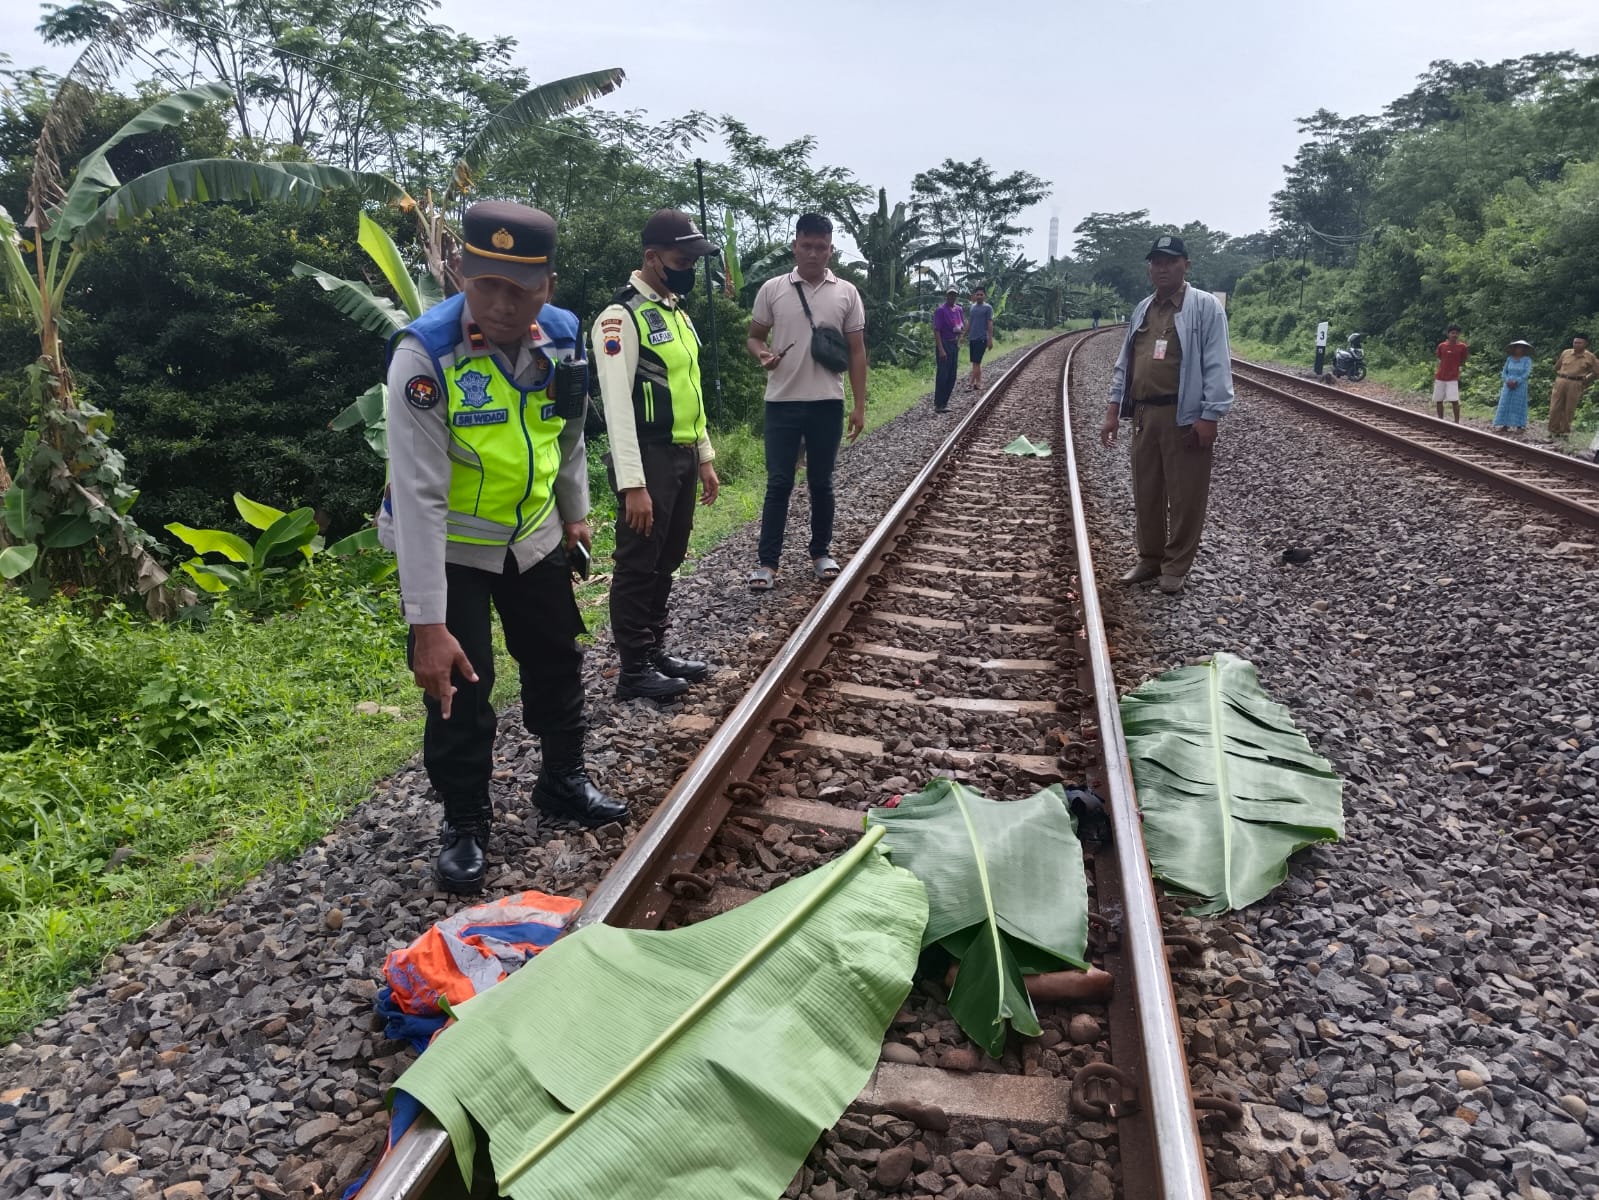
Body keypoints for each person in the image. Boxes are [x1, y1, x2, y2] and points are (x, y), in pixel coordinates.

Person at [380, 200, 625, 894]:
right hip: (450, 543)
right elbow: (421, 495)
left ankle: (562, 781)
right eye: (485, 283)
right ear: (460, 271)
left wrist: (574, 516)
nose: (501, 303)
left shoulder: (564, 336)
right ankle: (465, 822)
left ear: (546, 284)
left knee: (555, 656)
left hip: (533, 533)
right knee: (460, 684)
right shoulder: (424, 357)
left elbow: (568, 433)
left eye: (520, 288)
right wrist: (427, 622)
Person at [591, 210, 720, 703]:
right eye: (681, 259)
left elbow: (692, 389)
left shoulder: (676, 312)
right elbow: (616, 407)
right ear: (651, 257)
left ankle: (655, 651)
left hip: (684, 455)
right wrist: (632, 483)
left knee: (667, 559)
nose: (688, 268)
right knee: (637, 563)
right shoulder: (619, 318)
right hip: (647, 457)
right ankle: (633, 670)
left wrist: (705, 456)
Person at [1099, 234, 1235, 596]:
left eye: (1170, 261)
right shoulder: (1143, 308)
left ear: (1185, 265)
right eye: (1156, 262)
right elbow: (1124, 363)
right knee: (1147, 490)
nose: (1161, 268)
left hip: (1184, 415)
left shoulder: (1204, 307)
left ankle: (1175, 567)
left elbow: (1217, 363)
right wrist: (1114, 410)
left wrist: (1211, 415)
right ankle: (1150, 558)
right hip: (1144, 414)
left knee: (1186, 493)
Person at [745, 213, 868, 590]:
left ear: (831, 250)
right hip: (781, 402)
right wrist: (762, 354)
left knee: (822, 482)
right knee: (778, 483)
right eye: (806, 245)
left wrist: (859, 405)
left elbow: (857, 352)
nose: (813, 253)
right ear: (795, 245)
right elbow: (754, 337)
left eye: (821, 247)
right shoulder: (772, 289)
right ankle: (768, 563)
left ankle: (821, 553)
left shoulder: (846, 293)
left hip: (827, 403)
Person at [1548, 334, 1597, 440]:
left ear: (1585, 344)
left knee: (1569, 408)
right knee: (1555, 407)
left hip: (1576, 383)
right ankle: (1553, 431)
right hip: (1561, 380)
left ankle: (1564, 432)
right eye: (1575, 342)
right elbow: (1557, 367)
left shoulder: (1590, 356)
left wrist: (1586, 379)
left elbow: (1596, 372)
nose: (1576, 345)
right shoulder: (1566, 353)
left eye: (1579, 343)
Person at [931, 288, 964, 412]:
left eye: (954, 295)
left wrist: (959, 338)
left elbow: (962, 325)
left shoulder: (959, 309)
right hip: (944, 344)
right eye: (950, 295)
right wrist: (941, 349)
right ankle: (938, 404)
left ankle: (945, 402)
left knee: (952, 375)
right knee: (943, 375)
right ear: (946, 296)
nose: (952, 297)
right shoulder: (940, 310)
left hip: (954, 343)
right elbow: (937, 330)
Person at [1492, 340, 1533, 433]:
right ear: (1514, 349)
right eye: (1517, 347)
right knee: (1505, 403)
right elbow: (1504, 372)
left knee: (1518, 405)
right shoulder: (1509, 359)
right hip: (1508, 384)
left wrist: (1517, 381)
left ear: (1524, 349)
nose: (1519, 349)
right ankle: (1504, 425)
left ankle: (1519, 426)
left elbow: (1526, 373)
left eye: (1521, 348)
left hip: (1520, 385)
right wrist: (1507, 380)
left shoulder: (1527, 360)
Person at [1434, 325, 1469, 423]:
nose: (1454, 335)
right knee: (1439, 399)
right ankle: (1440, 420)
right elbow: (1440, 357)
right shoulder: (1442, 346)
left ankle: (1456, 422)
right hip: (1440, 376)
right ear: (1448, 334)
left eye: (1456, 333)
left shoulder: (1462, 347)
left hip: (1453, 377)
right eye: (1452, 333)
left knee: (1454, 400)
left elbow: (1463, 359)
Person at [967, 286, 995, 392]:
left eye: (981, 294)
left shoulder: (988, 308)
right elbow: (970, 322)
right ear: (974, 296)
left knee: (977, 362)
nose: (979, 296)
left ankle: (970, 383)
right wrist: (963, 335)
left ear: (985, 296)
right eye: (977, 294)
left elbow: (990, 323)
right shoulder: (972, 307)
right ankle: (978, 383)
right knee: (975, 363)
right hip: (972, 338)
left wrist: (990, 339)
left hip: (982, 338)